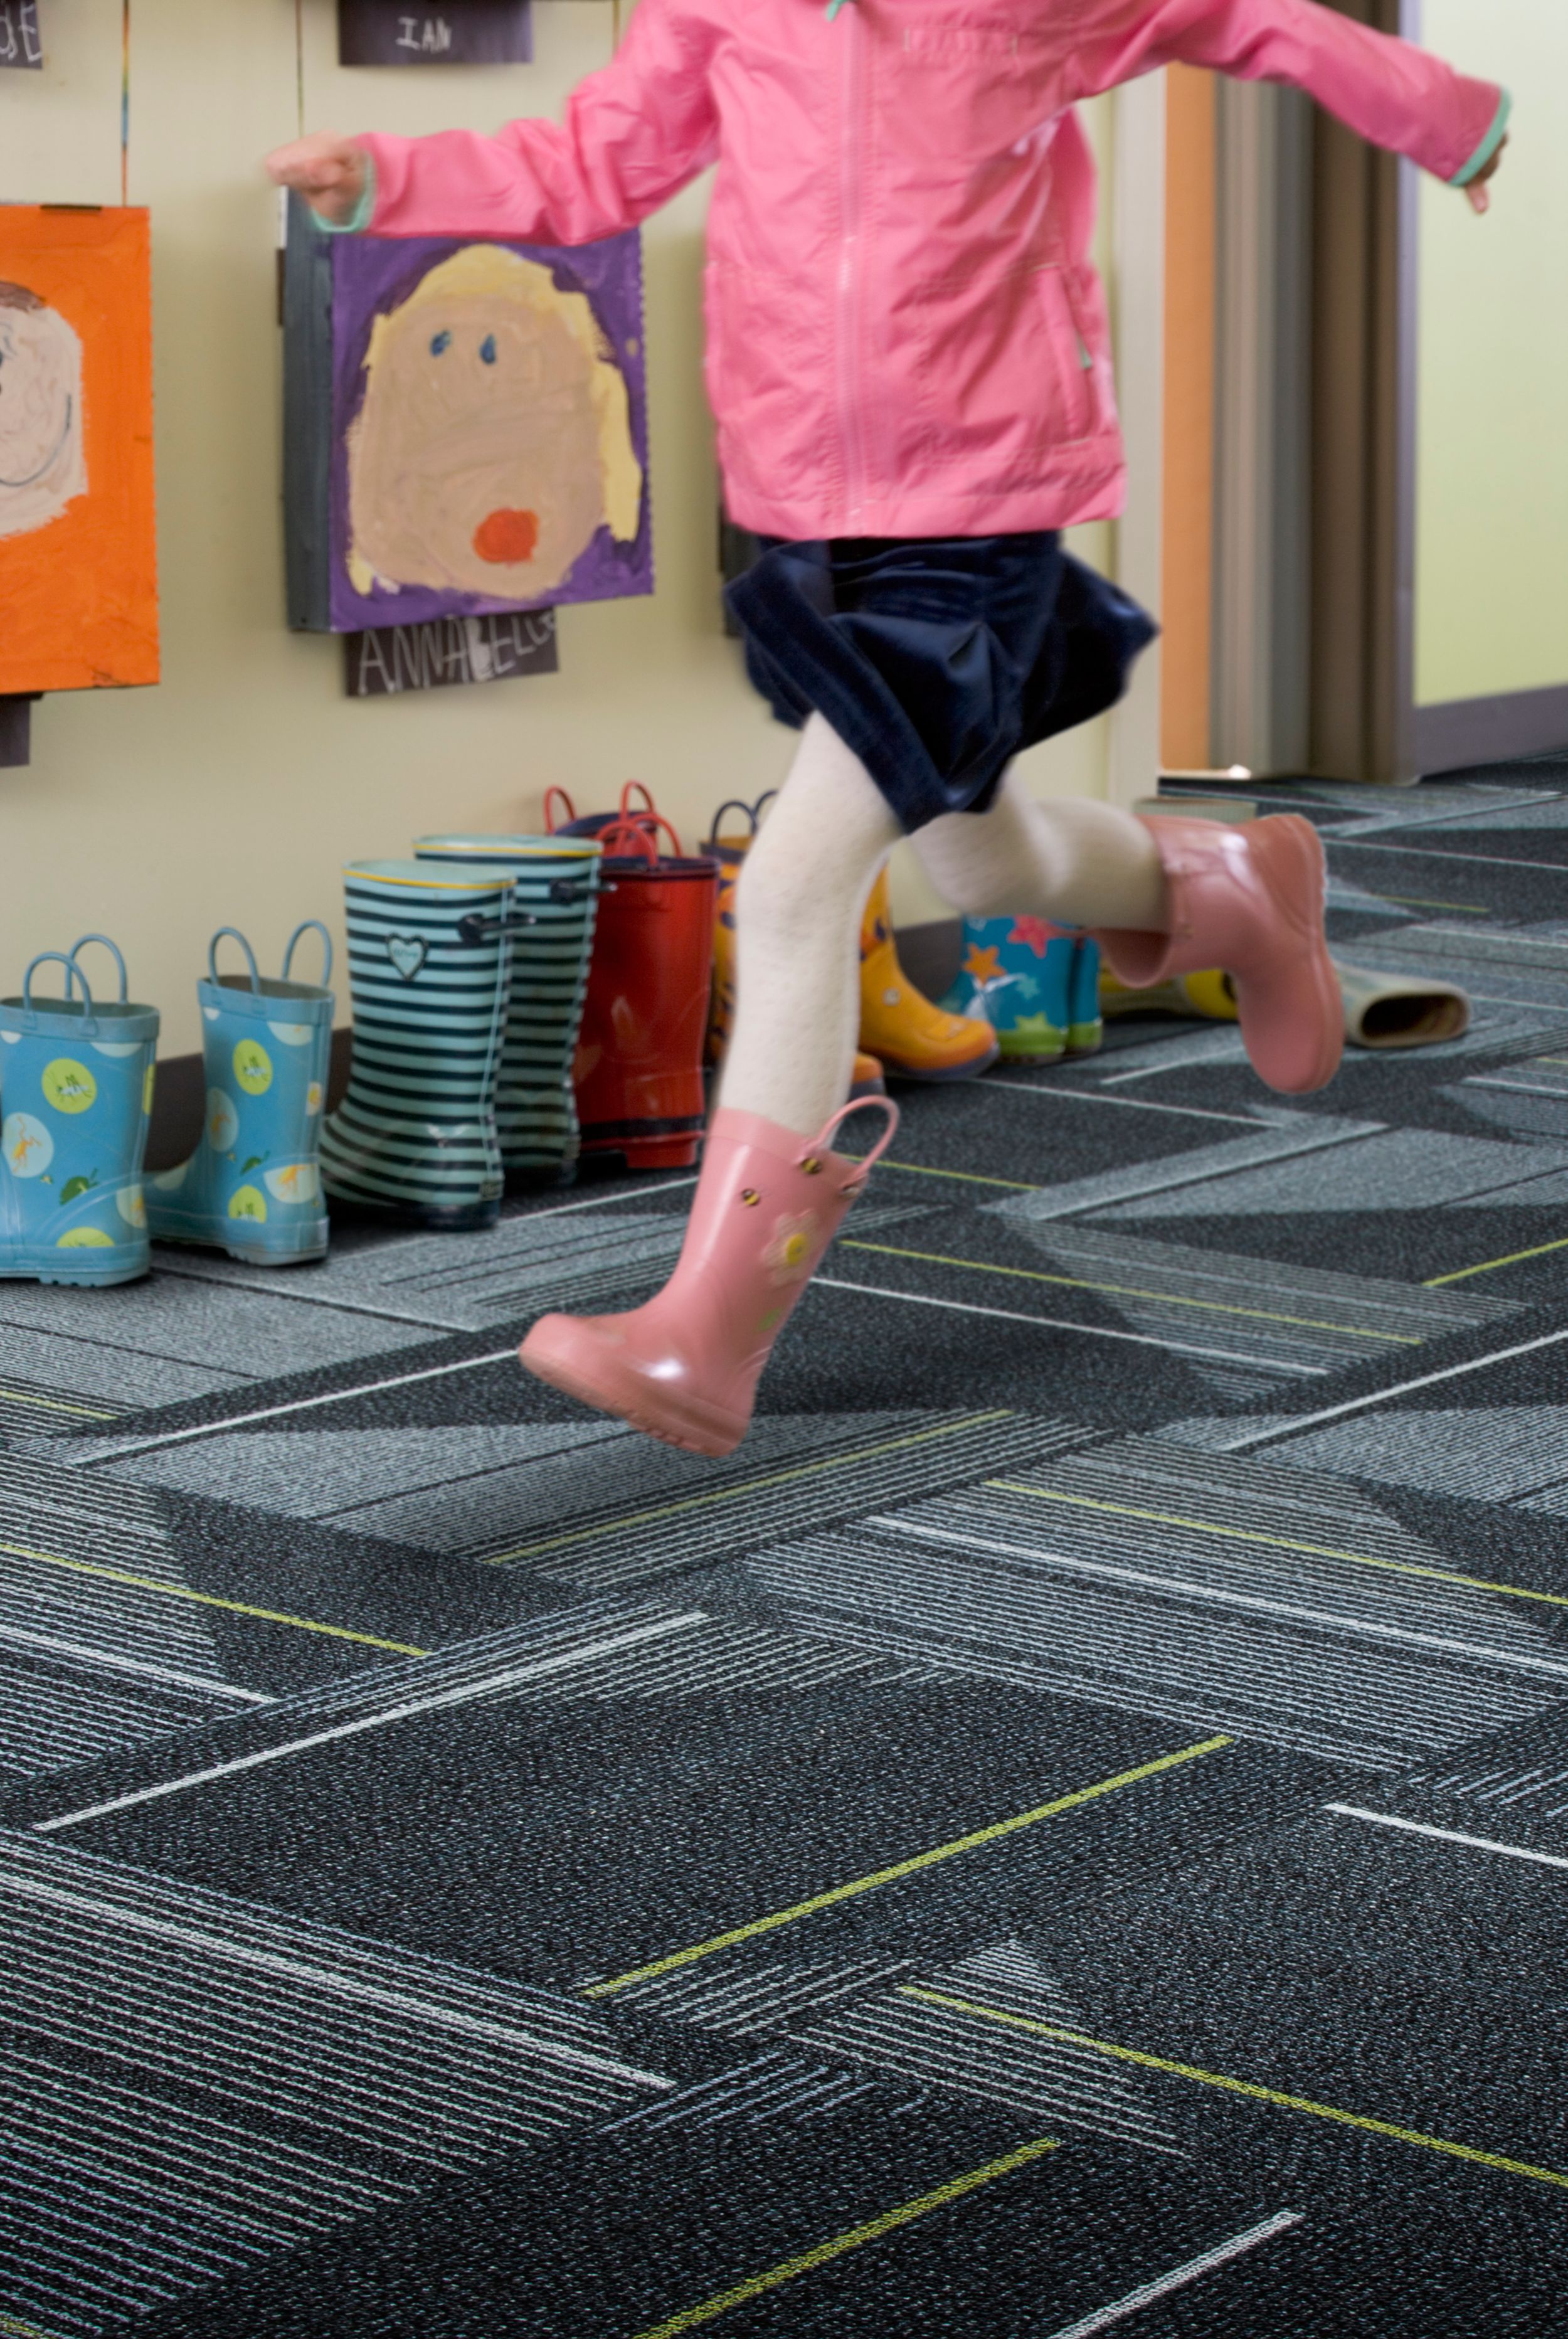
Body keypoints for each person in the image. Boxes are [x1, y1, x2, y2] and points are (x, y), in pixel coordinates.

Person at [268, 0, 1508, 1460]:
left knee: (794, 885)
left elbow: (1247, 18)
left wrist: (1447, 117)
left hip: (977, 495)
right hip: (808, 501)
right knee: (978, 862)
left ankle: (703, 1338)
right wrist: (397, 182)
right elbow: (598, 160)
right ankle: (1227, 888)